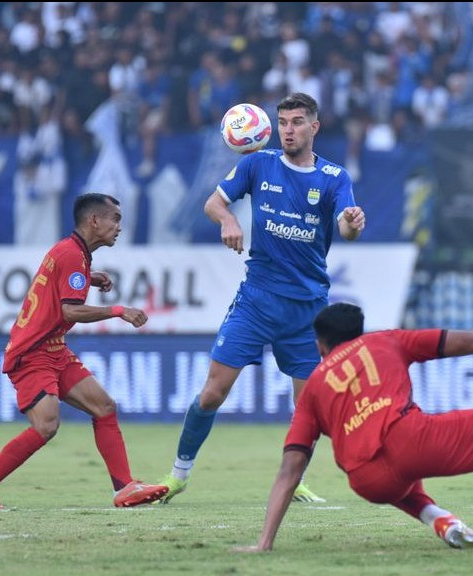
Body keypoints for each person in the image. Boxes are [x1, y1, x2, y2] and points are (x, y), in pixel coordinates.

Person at [159, 93, 366, 504]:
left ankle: (295, 481)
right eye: (284, 122)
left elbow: (347, 228)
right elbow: (213, 203)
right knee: (213, 392)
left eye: (297, 122)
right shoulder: (258, 163)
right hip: (257, 299)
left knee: (309, 407)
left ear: (314, 127)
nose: (289, 129)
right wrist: (229, 219)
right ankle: (178, 474)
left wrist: (352, 223)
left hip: (307, 309)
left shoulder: (334, 177)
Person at [234, 302, 473, 553]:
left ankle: (439, 519)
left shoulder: (313, 390)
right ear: (359, 332)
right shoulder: (388, 340)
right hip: (411, 442)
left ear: (320, 345)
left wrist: (264, 542)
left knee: (386, 469)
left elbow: (290, 471)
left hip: (366, 481)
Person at [0, 193, 168, 510]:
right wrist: (118, 311)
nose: (119, 227)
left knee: (104, 406)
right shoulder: (73, 255)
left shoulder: (73, 253)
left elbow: (59, 285)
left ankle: (124, 488)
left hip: (54, 350)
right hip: (32, 353)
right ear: (94, 220)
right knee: (47, 425)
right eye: (115, 219)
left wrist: (90, 276)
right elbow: (70, 311)